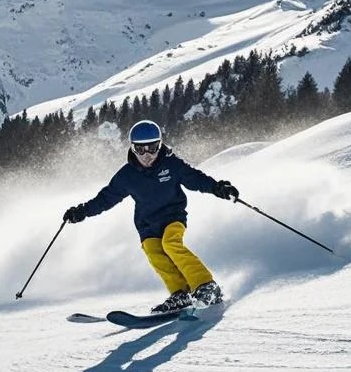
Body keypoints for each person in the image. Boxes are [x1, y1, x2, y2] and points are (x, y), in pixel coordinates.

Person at [63, 119, 239, 313]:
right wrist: (82, 211)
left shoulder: (171, 164)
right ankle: (180, 293)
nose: (147, 155)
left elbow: (195, 178)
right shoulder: (126, 176)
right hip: (147, 224)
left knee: (170, 243)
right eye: (140, 150)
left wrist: (217, 188)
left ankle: (206, 285)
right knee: (155, 253)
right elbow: (105, 199)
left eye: (153, 148)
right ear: (132, 148)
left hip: (173, 216)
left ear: (160, 144)